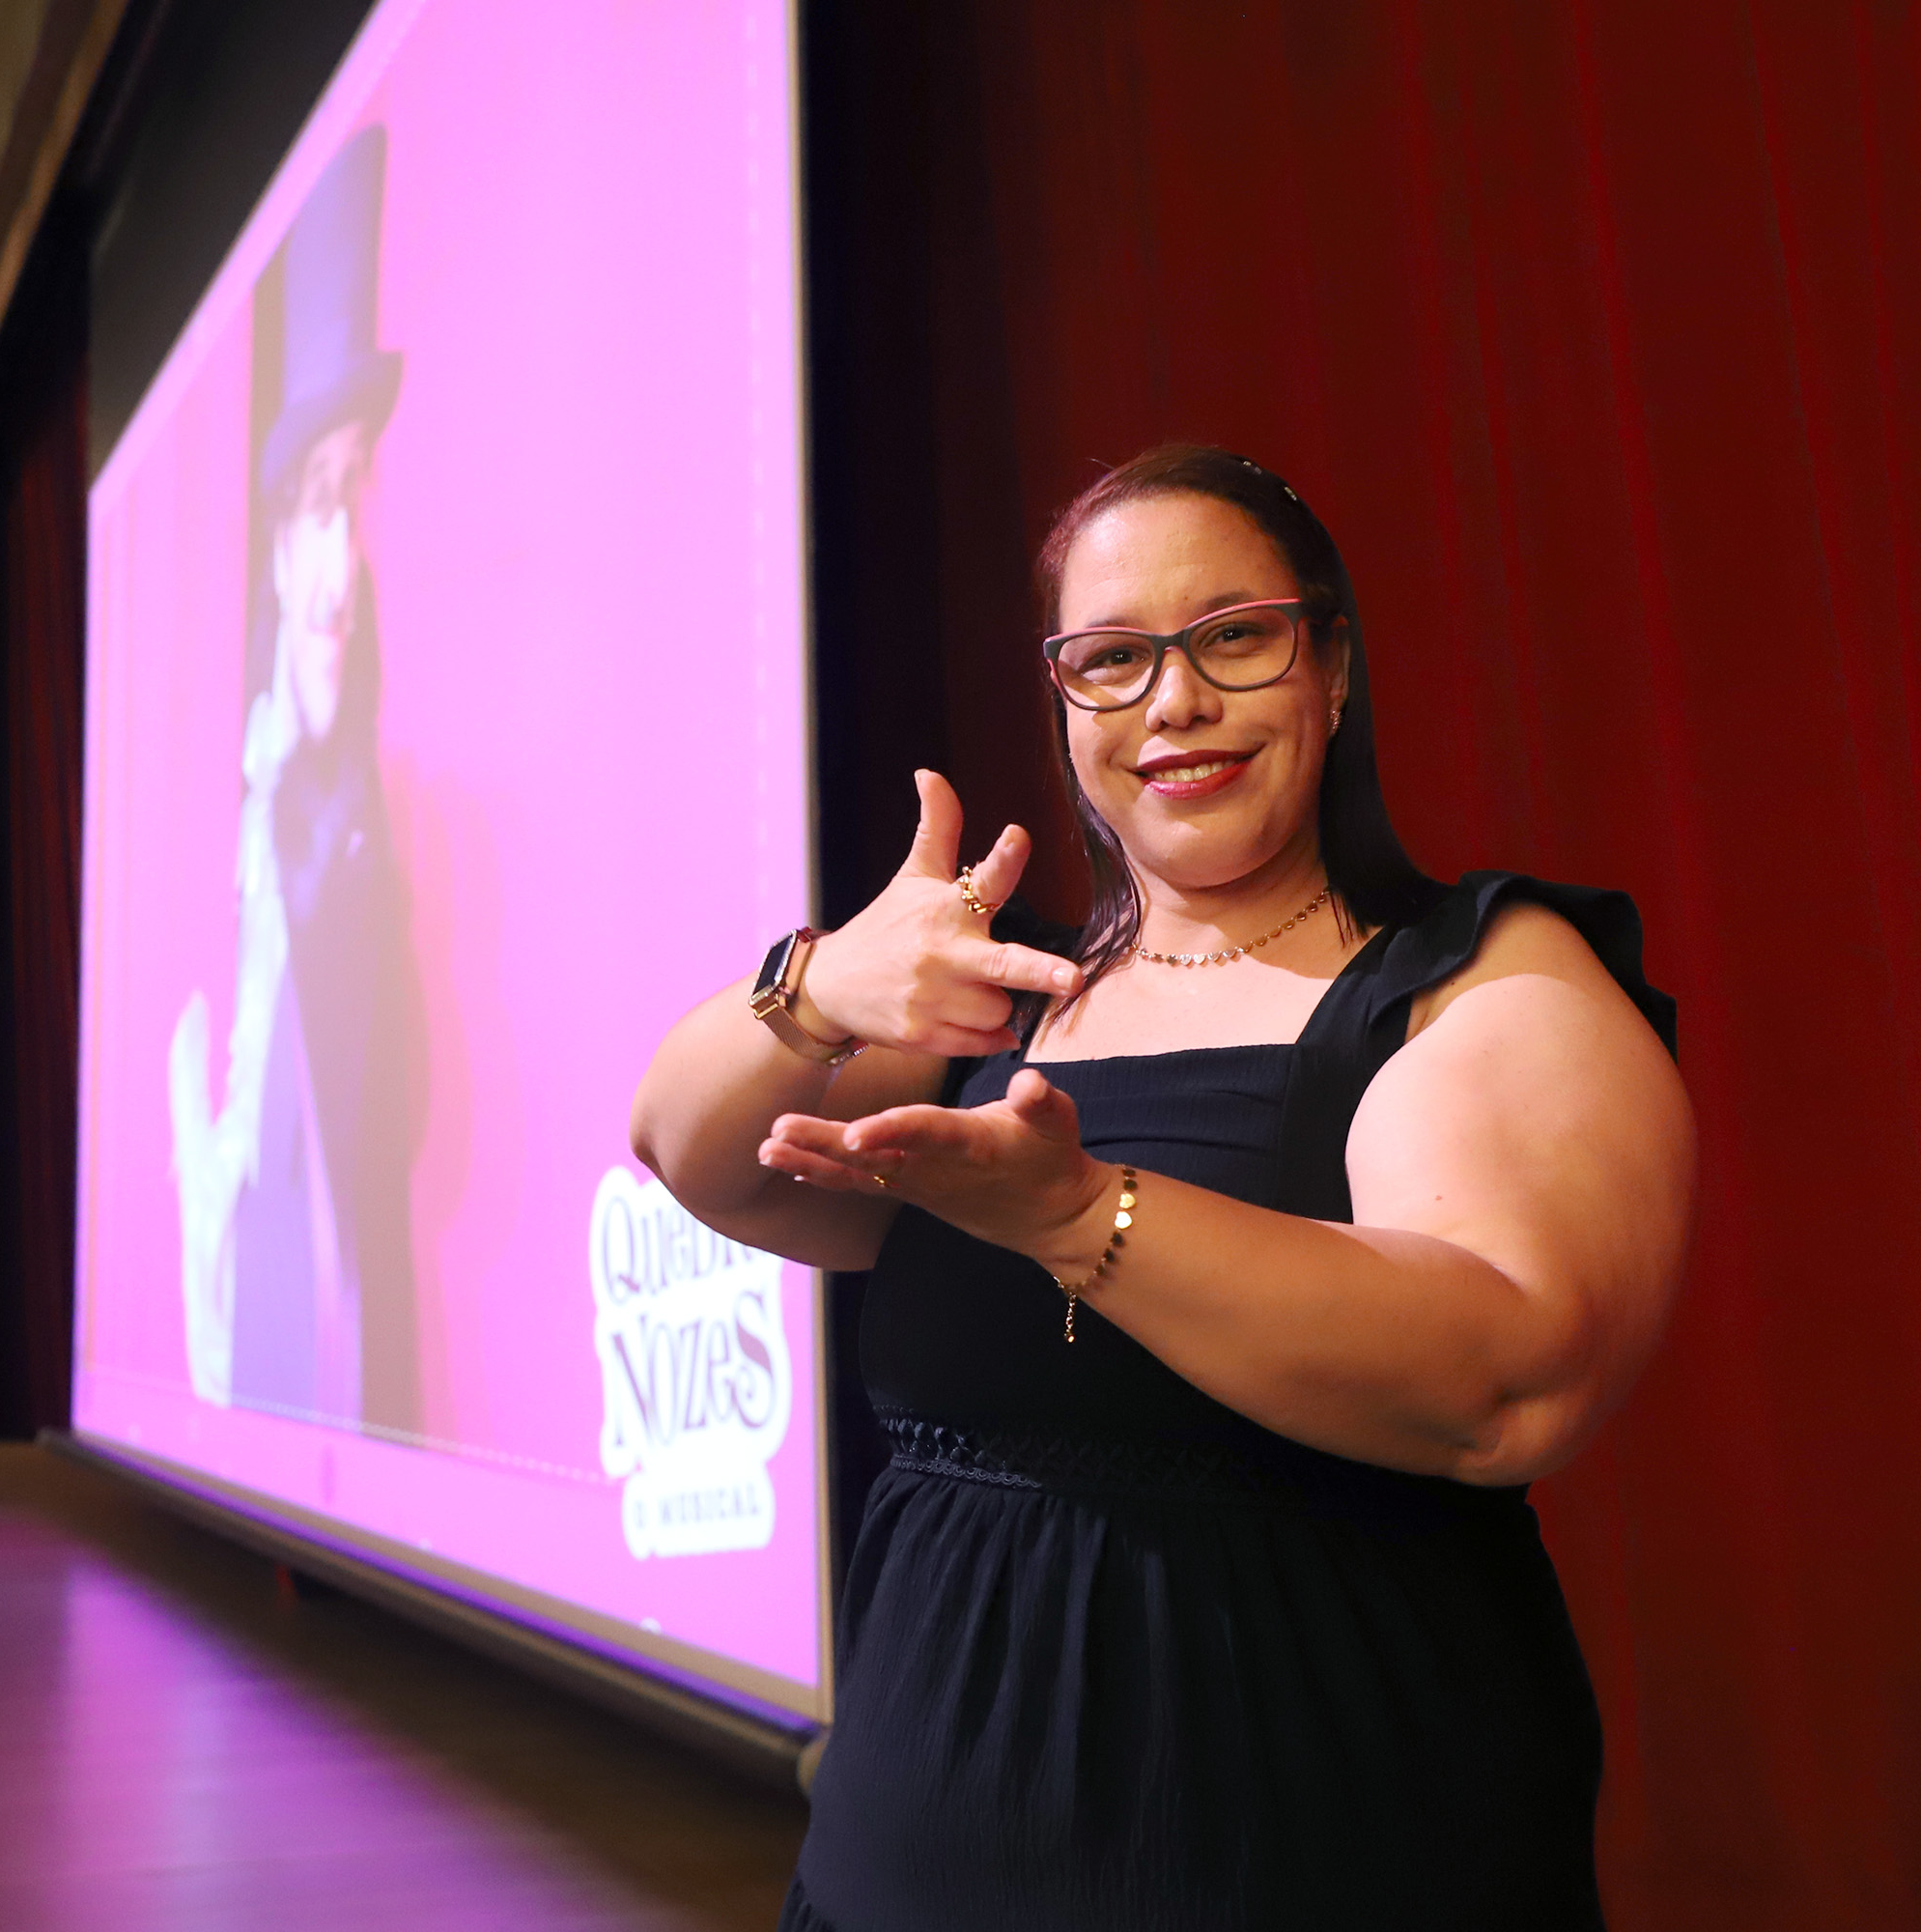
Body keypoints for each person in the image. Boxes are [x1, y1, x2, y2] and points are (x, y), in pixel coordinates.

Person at [632, 444, 1694, 1929]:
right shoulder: (1005, 1003)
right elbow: (691, 1156)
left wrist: (1081, 1220)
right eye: (1112, 661)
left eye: (1233, 639)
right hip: (901, 1874)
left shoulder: (1475, 981)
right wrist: (813, 991)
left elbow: (1503, 1380)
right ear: (1066, 708)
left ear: (1328, 667)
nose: (1173, 702)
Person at [171, 125, 423, 1436]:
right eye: (317, 508)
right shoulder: (239, 795)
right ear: (274, 547)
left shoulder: (371, 807)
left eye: (359, 500)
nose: (341, 564)